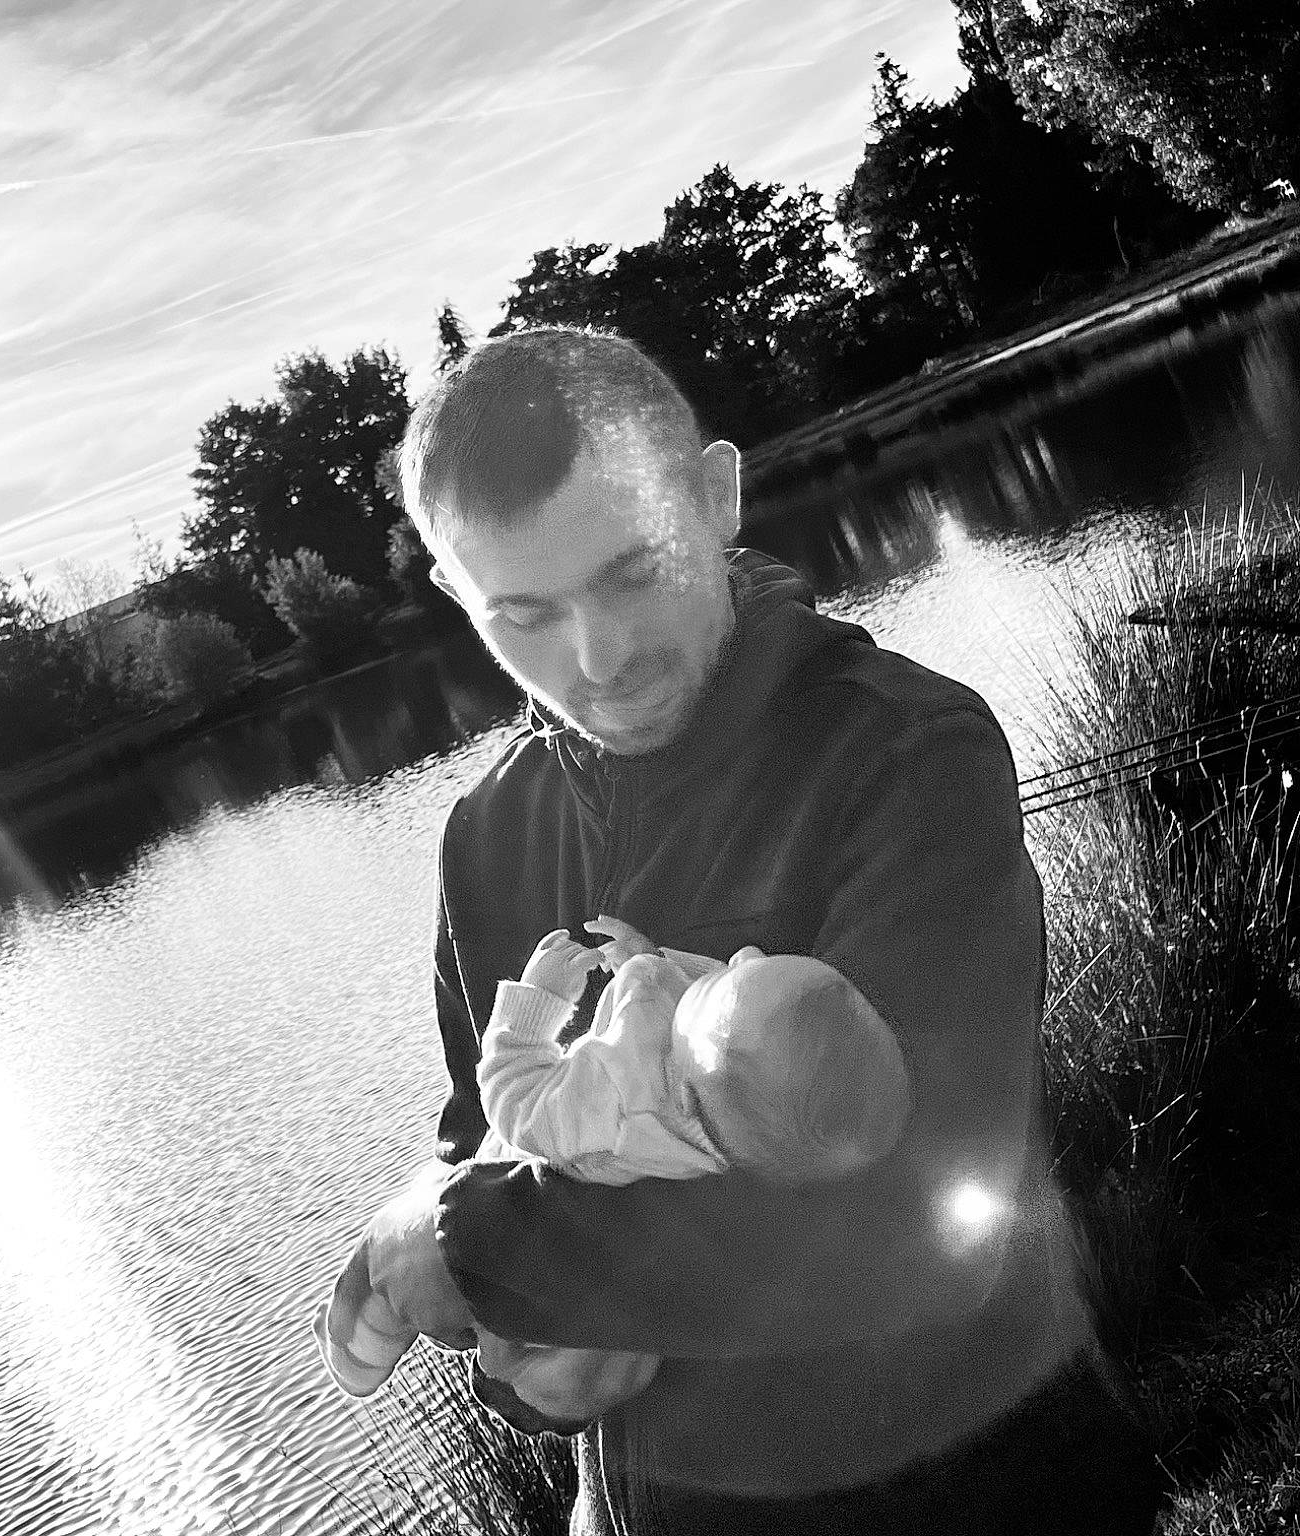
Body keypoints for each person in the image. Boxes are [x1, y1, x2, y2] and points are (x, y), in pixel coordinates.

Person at [316, 327, 1163, 1534]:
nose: (596, 660)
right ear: (456, 595)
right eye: (524, 613)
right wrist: (529, 1360)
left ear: (716, 496)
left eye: (630, 572)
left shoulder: (900, 750)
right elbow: (489, 1139)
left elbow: (920, 1232)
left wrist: (459, 1246)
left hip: (981, 1485)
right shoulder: (483, 836)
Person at [316, 921, 911, 1425]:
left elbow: (514, 1098)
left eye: (727, 976)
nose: (742, 955)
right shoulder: (728, 1093)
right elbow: (719, 1011)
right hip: (563, 1317)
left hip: (518, 1257)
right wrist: (648, 962)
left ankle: (360, 1349)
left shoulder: (620, 1112)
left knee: (385, 1298)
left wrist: (533, 1006)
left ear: (683, 1097)